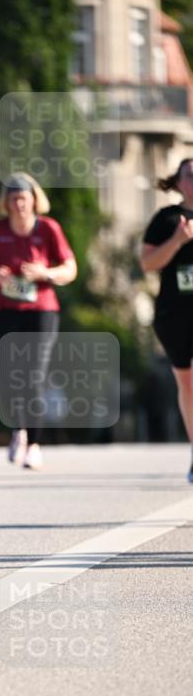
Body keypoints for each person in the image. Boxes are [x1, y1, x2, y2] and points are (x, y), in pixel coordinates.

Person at [0, 172, 77, 470]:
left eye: (23, 198)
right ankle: (17, 430)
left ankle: (33, 444)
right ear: (5, 203)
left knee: (33, 376)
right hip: (5, 311)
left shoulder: (48, 228)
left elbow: (70, 268)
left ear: (34, 200)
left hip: (41, 311)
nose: (19, 204)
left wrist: (45, 273)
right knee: (6, 375)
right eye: (13, 199)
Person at [140, 158, 193, 482]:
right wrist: (177, 240)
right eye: (190, 175)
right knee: (186, 382)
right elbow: (148, 263)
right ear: (179, 182)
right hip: (174, 312)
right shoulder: (166, 219)